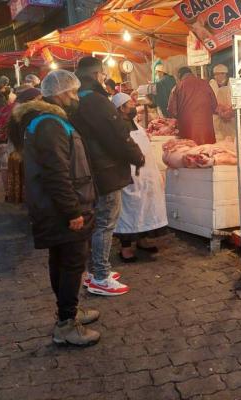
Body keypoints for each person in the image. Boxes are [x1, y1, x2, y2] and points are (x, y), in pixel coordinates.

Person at [16, 69, 100, 346]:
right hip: (61, 209)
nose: (76, 97)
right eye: (73, 92)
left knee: (62, 260)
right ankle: (66, 324)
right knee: (72, 263)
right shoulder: (50, 124)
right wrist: (72, 211)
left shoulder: (46, 121)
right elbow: (56, 172)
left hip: (53, 207)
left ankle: (69, 312)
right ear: (60, 94)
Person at [70, 56, 145, 296]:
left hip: (91, 168)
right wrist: (137, 156)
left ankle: (94, 271)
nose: (104, 77)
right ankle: (100, 276)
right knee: (105, 222)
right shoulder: (96, 100)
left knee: (98, 221)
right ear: (96, 75)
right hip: (106, 168)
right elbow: (117, 135)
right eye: (102, 74)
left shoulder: (76, 98)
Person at [111, 92, 168, 262]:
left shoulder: (135, 124)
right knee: (130, 211)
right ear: (121, 108)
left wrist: (156, 173)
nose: (133, 106)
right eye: (130, 104)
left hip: (147, 175)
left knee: (146, 208)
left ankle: (142, 240)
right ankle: (126, 248)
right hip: (130, 176)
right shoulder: (116, 126)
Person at [5, 87, 43, 203]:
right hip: (27, 154)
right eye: (40, 98)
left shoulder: (17, 113)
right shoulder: (29, 115)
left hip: (19, 152)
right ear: (32, 100)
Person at [167, 67, 218, 145]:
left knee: (191, 155)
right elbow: (214, 106)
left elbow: (172, 111)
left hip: (187, 133)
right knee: (207, 154)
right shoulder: (205, 83)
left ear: (180, 75)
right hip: (207, 133)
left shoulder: (178, 87)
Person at [209, 64, 235, 141]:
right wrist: (219, 111)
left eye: (220, 74)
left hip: (231, 119)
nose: (217, 76)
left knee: (232, 139)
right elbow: (209, 102)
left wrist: (230, 111)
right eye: (215, 74)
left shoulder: (232, 84)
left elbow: (236, 100)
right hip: (217, 119)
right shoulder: (211, 84)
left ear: (225, 74)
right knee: (219, 140)